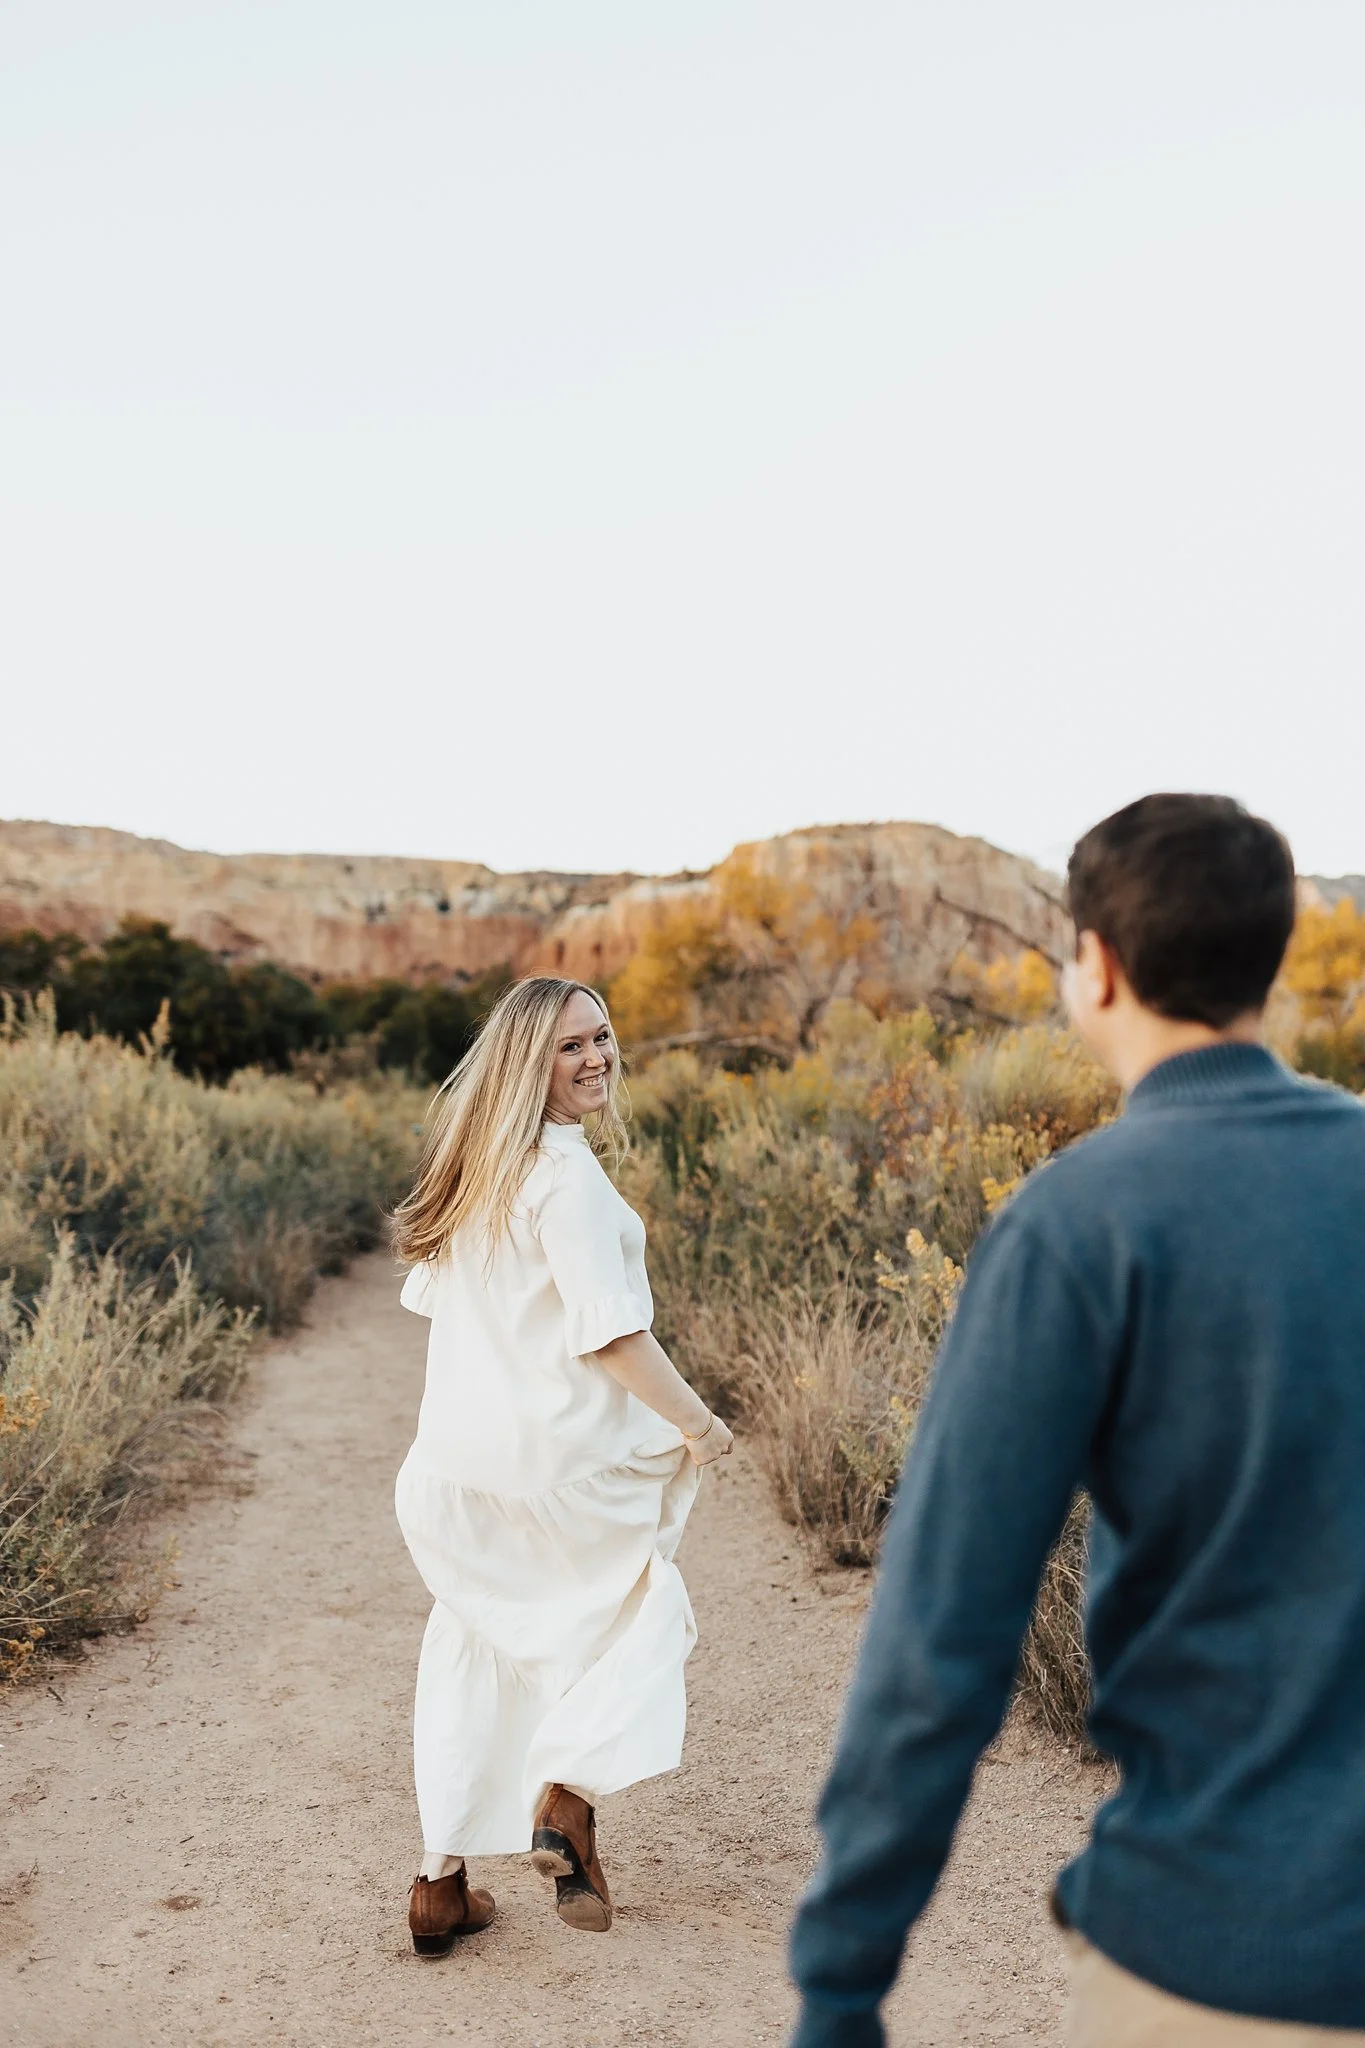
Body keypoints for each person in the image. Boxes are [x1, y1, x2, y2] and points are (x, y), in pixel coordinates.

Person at [788, 793, 1365, 2045]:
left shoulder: (1077, 1225)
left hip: (1219, 1962)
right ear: (1271, 958)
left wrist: (842, 1982)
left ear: (1095, 967)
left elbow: (940, 1641)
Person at [391, 975, 733, 1957]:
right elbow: (612, 1336)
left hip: (454, 1476)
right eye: (567, 1046)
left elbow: (460, 1314)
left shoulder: (480, 1171)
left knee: (475, 1643)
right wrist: (699, 1423)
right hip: (548, 1468)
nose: (595, 1057)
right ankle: (566, 1803)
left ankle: (439, 1884)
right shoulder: (567, 1180)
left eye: (602, 1036)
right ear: (524, 1062)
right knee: (644, 1610)